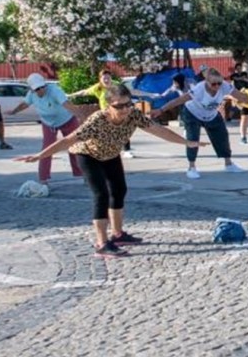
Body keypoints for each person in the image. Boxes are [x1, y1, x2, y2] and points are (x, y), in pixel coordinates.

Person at [14, 84, 206, 258]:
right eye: (119, 106)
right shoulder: (98, 120)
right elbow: (68, 140)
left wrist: (188, 142)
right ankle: (102, 243)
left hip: (111, 155)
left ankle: (118, 234)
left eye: (127, 104)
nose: (124, 110)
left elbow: (159, 130)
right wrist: (40, 156)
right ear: (108, 106)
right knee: (101, 194)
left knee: (119, 190)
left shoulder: (133, 115)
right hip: (88, 156)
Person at [150, 68, 248, 179]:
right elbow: (178, 100)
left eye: (219, 83)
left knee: (222, 136)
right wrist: (161, 110)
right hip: (192, 114)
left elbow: (243, 97)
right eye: (213, 83)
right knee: (193, 139)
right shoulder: (199, 89)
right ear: (206, 82)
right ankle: (191, 168)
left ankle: (228, 164)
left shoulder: (225, 86)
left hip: (211, 115)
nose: (217, 86)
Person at [6, 73, 87, 185]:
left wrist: (80, 116)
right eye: (37, 89)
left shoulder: (54, 90)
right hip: (48, 123)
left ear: (45, 85)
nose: (40, 90)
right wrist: (14, 111)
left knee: (76, 146)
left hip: (67, 119)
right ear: (32, 89)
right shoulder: (31, 95)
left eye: (41, 87)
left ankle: (84, 174)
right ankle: (43, 178)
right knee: (47, 149)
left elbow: (67, 104)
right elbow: (25, 104)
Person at [68, 70, 157, 158]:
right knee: (103, 134)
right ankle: (101, 151)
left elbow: (132, 91)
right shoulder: (97, 88)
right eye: (104, 78)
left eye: (108, 78)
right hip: (106, 115)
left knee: (124, 130)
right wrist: (70, 95)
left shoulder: (116, 86)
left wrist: (149, 94)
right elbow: (84, 92)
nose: (106, 80)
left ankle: (127, 151)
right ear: (100, 79)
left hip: (119, 112)